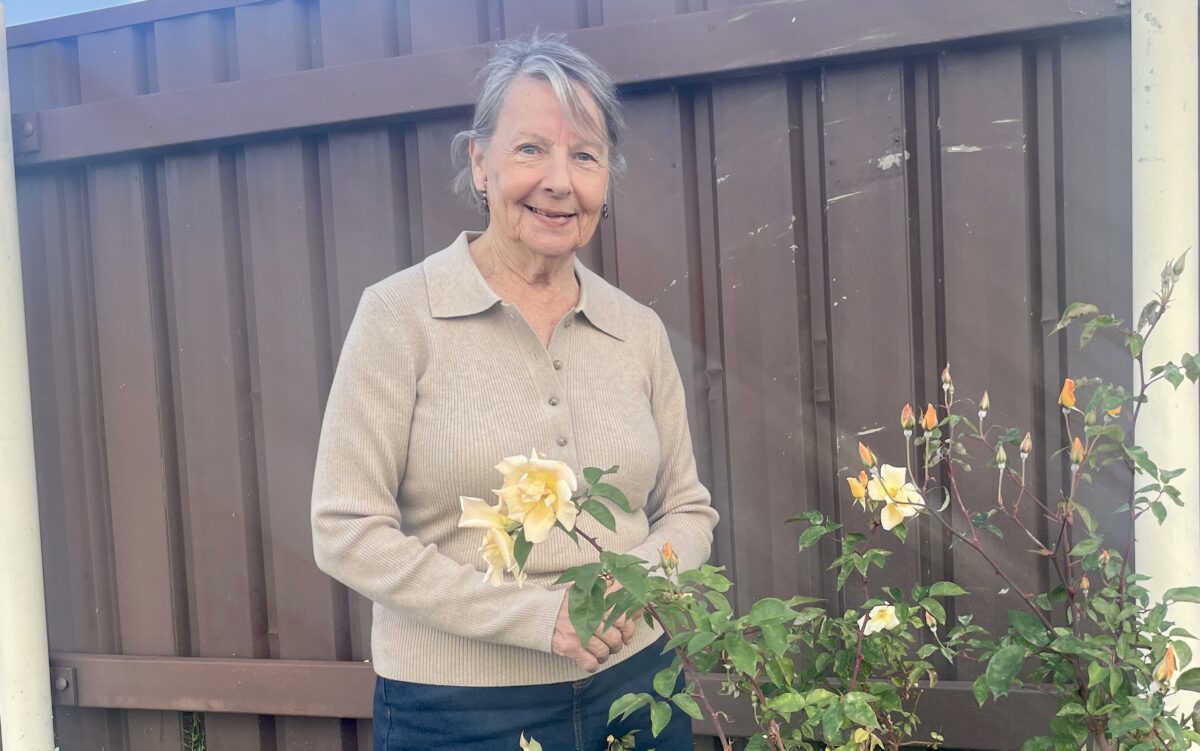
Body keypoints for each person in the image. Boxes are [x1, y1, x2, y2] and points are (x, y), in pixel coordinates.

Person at [310, 34, 719, 751]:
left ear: (606, 179)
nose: (560, 181)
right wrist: (538, 618)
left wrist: (638, 587)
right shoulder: (400, 315)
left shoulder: (637, 330)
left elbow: (687, 508)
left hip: (639, 690)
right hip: (459, 712)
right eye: (531, 149)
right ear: (479, 161)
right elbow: (344, 528)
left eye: (585, 156)